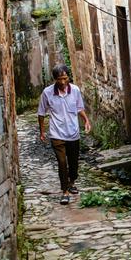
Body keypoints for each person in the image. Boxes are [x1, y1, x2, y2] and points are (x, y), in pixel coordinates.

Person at [38, 64, 91, 205]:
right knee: (62, 163)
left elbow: (79, 108)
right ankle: (65, 191)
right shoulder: (47, 93)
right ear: (55, 79)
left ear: (68, 77)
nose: (62, 82)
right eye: (60, 79)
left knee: (73, 163)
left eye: (65, 78)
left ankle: (72, 182)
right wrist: (42, 131)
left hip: (73, 133)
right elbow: (41, 113)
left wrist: (86, 120)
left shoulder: (75, 91)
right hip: (57, 134)